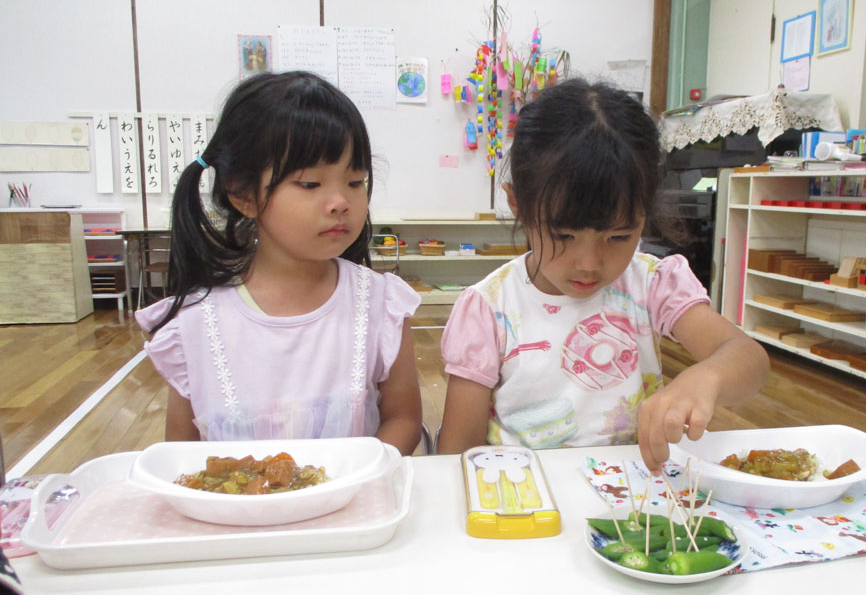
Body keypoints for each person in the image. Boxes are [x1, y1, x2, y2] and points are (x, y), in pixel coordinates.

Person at [436, 78, 768, 471]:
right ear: (518, 204)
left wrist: (706, 378)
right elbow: (456, 455)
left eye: (618, 236)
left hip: (632, 499)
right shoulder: (490, 308)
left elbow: (749, 358)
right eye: (563, 234)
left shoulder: (650, 283)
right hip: (526, 502)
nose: (589, 263)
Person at [136, 71, 422, 455]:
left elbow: (403, 420)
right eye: (310, 184)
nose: (341, 201)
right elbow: (180, 453)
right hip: (238, 515)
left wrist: (356, 480)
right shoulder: (196, 322)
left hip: (351, 508)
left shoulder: (380, 304)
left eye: (356, 182)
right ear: (243, 195)